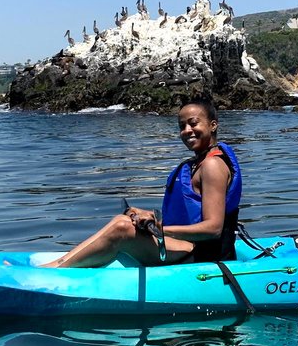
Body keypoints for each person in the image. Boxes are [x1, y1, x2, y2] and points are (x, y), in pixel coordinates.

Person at [42, 96, 242, 268]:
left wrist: (159, 230)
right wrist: (147, 219)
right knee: (128, 220)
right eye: (182, 126)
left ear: (213, 125)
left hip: (203, 255)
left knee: (122, 226)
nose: (187, 130)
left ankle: (56, 269)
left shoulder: (212, 165)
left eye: (193, 123)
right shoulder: (197, 163)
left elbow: (213, 229)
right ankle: (62, 263)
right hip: (185, 244)